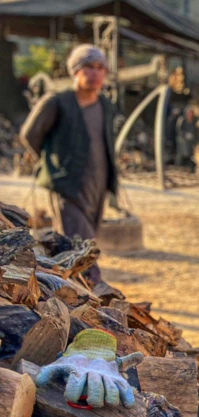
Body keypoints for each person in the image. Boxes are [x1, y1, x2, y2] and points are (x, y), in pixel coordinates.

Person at [20, 44, 117, 285]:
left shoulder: (105, 105)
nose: (94, 73)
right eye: (88, 67)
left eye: (99, 68)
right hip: (66, 186)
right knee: (81, 246)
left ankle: (72, 287)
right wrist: (52, 162)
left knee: (87, 240)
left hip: (97, 186)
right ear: (75, 71)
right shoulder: (57, 102)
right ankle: (95, 291)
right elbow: (29, 135)